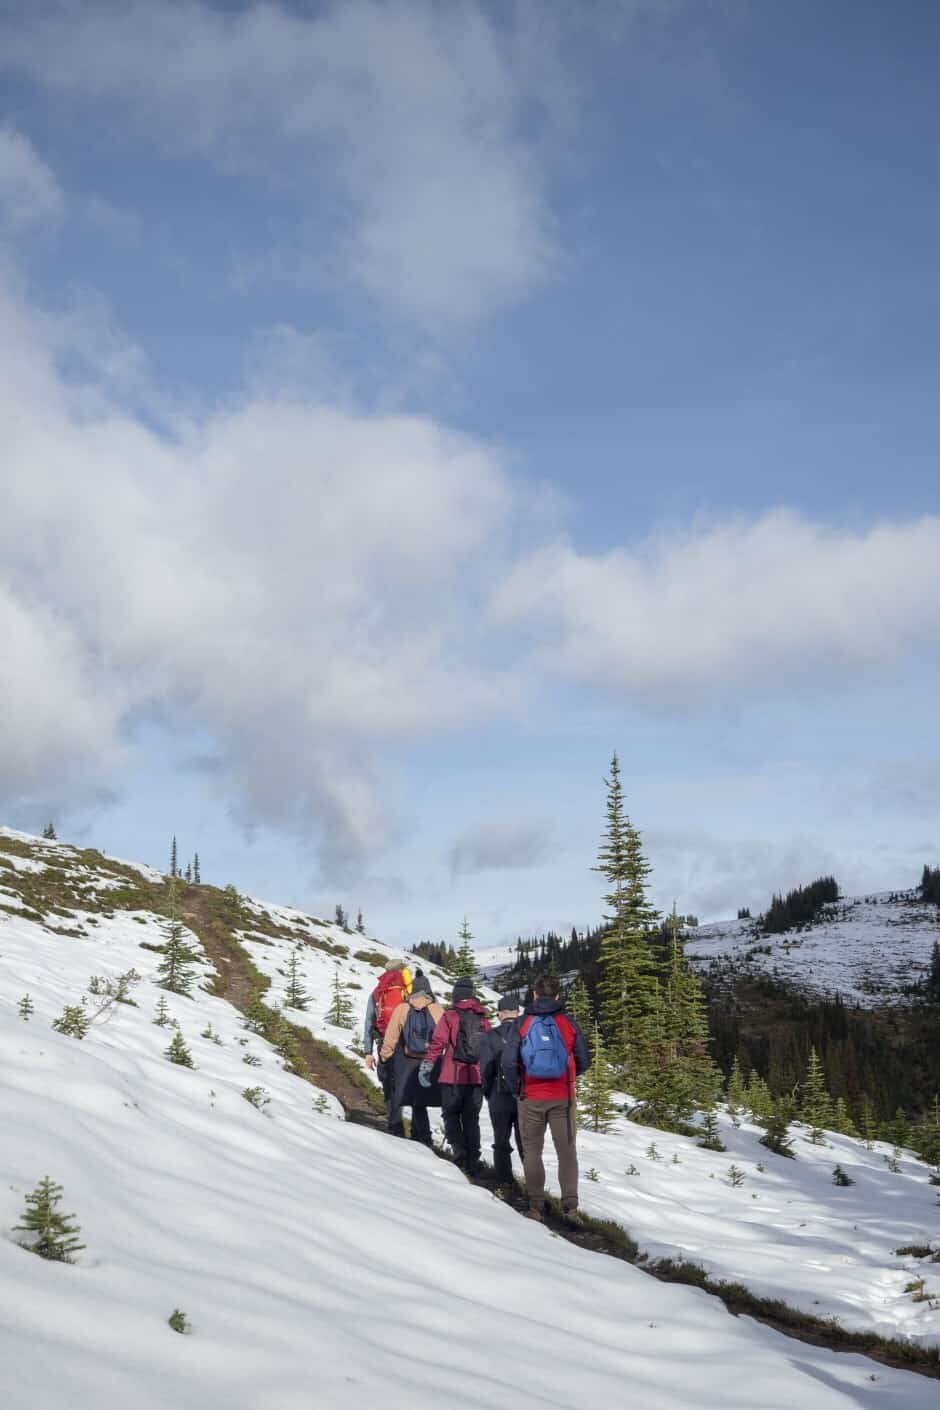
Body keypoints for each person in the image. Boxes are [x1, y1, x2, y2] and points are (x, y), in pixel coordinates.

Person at [501, 973, 591, 1225]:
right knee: (567, 1151)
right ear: (558, 995)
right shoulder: (568, 1023)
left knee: (532, 1151)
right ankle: (571, 1208)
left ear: (534, 994)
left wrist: (517, 1086)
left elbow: (508, 1061)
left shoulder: (523, 1023)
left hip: (530, 1095)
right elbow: (585, 1060)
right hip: (563, 1096)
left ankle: (535, 1206)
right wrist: (568, 1077)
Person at [419, 978, 490, 1174]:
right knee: (471, 1118)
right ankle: (473, 1159)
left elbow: (438, 1043)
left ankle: (459, 1151)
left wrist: (427, 1065)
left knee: (450, 1114)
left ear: (456, 994)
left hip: (452, 1076)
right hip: (475, 1077)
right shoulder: (482, 1017)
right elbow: (488, 1048)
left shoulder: (450, 1016)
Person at [379, 974, 444, 1146]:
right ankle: (423, 1137)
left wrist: (385, 1056)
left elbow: (391, 1034)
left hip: (406, 1060)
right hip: (431, 1060)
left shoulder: (403, 1008)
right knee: (420, 1100)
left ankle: (396, 1130)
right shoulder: (437, 1009)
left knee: (398, 1093)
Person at [479, 993, 524, 1191]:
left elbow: (484, 1070)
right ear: (518, 1012)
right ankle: (534, 1186)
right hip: (525, 1096)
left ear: (499, 1014)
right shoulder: (526, 1033)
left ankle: (505, 1182)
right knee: (526, 1142)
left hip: (499, 1096)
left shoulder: (491, 1037)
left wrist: (488, 1092)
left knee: (501, 1139)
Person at [363, 960, 412, 1135]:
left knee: (388, 1083)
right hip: (405, 1043)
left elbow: (369, 1023)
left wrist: (368, 1051)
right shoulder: (408, 990)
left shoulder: (377, 993)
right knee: (405, 1083)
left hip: (383, 1043)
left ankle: (395, 1124)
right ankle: (418, 1132)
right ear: (402, 971)